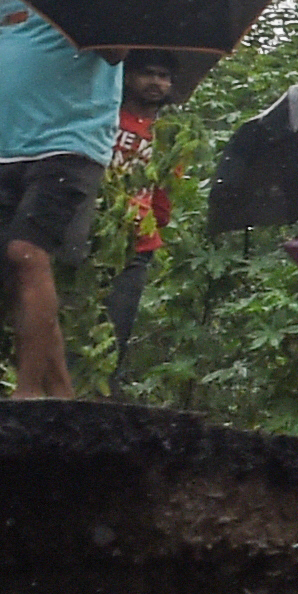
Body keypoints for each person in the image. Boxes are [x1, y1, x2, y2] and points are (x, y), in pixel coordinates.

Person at [0, 0, 121, 402]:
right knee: (13, 271)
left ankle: (27, 393)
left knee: (27, 253)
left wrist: (86, 2)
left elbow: (117, 51)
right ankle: (59, 393)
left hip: (69, 141)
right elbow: (25, 46)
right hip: (5, 145)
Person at [97, 54, 182, 396]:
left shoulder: (168, 137)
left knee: (116, 331)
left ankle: (103, 400)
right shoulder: (106, 118)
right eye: (148, 74)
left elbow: (164, 196)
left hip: (137, 244)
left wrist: (150, 223)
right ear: (128, 77)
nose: (156, 83)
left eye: (164, 76)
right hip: (94, 233)